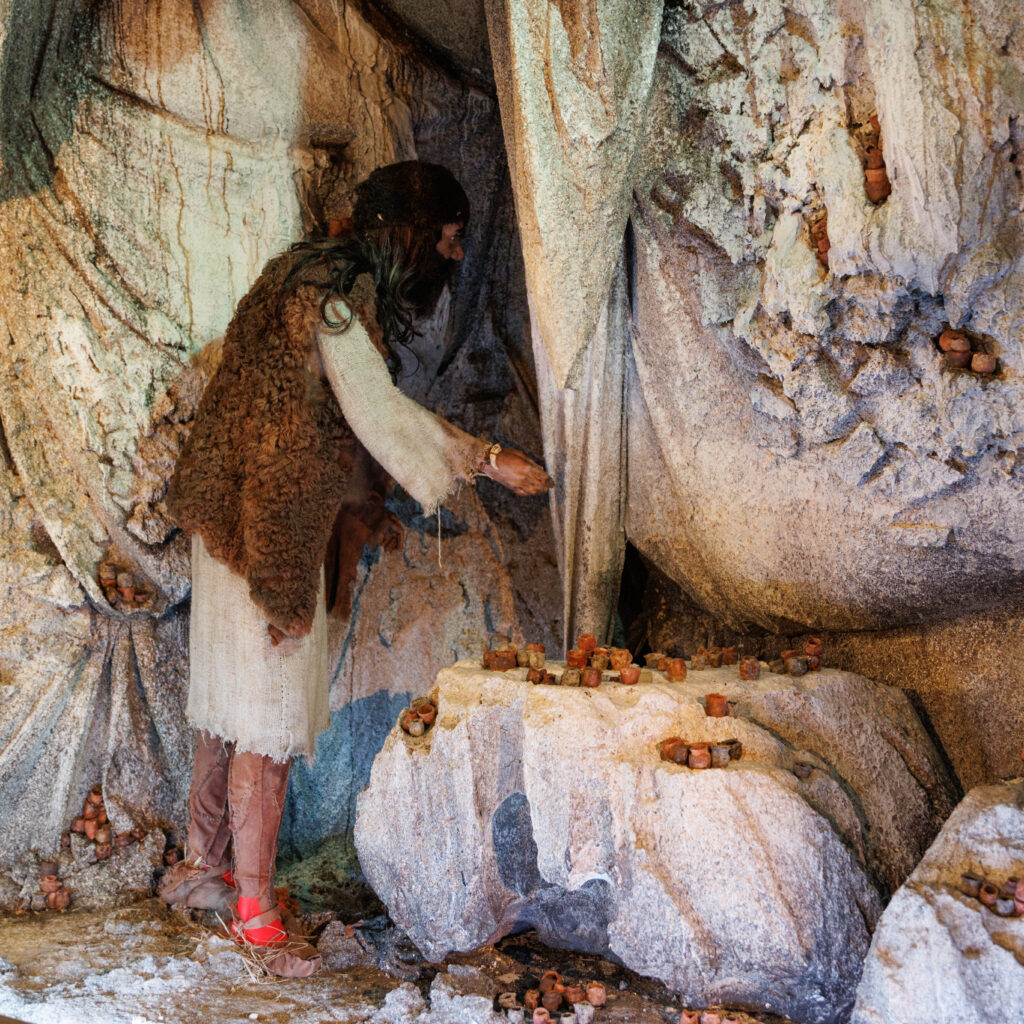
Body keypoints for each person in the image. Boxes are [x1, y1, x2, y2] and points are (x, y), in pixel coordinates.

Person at [160, 161, 552, 977]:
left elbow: (314, 415)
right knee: (265, 723)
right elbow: (375, 411)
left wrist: (367, 509)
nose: (452, 257)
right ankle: (256, 916)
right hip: (266, 531)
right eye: (448, 239)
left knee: (228, 710)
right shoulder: (335, 299)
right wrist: (489, 458)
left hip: (232, 517)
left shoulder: (299, 273)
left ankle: (202, 871)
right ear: (410, 232)